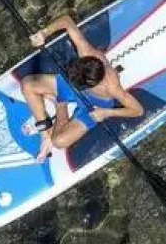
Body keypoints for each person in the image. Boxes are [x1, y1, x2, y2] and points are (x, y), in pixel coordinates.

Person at [19, 14, 143, 162]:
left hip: (94, 105)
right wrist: (44, 33)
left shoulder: (112, 86)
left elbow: (138, 110)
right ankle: (45, 135)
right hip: (70, 84)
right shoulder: (86, 52)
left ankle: (60, 105)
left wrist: (106, 112)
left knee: (59, 142)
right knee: (27, 84)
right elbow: (67, 21)